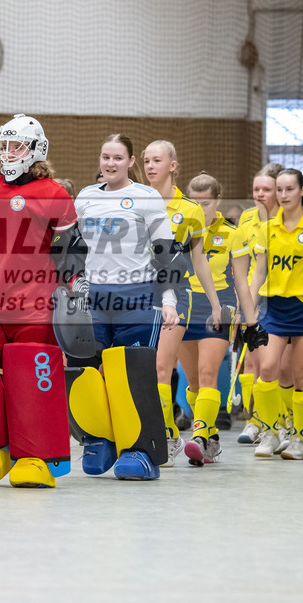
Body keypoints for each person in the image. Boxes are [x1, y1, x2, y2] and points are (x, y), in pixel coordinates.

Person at [0, 114, 80, 489]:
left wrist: (78, 287)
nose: (10, 153)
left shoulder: (55, 195)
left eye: (17, 146)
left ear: (36, 150)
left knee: (32, 379)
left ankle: (35, 457)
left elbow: (70, 253)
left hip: (36, 306)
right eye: (5, 146)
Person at [68, 134, 181, 481]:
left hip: (138, 297)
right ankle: (101, 438)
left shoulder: (147, 197)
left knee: (132, 377)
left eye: (118, 158)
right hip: (95, 299)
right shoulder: (85, 198)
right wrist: (74, 284)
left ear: (131, 161)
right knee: (90, 373)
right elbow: (73, 248)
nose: (110, 164)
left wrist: (169, 300)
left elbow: (166, 252)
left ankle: (139, 450)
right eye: (105, 157)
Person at [142, 140, 223, 465]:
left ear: (173, 165)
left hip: (178, 295)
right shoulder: (135, 202)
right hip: (139, 295)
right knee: (160, 370)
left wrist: (216, 304)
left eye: (157, 160)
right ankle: (177, 434)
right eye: (146, 160)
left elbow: (199, 260)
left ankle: (168, 436)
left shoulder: (190, 210)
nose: (150, 166)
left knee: (162, 366)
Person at [248, 169, 303, 460]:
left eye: (289, 189)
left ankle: (299, 438)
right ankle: (272, 432)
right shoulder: (267, 228)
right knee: (268, 370)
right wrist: (249, 311)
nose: (283, 195)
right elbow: (258, 272)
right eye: (279, 190)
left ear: (301, 192)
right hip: (273, 309)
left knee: (301, 376)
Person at [177, 173, 260, 466]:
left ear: (218, 200)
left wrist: (249, 321)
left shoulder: (233, 234)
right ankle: (211, 436)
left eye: (207, 202)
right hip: (183, 307)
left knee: (208, 373)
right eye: (195, 202)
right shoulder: (180, 229)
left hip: (218, 309)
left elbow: (242, 282)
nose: (201, 208)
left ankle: (198, 437)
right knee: (195, 383)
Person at [235, 162, 283, 445]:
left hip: (280, 298)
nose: (260, 194)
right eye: (256, 189)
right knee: (251, 364)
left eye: (267, 189)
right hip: (252, 296)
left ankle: (279, 420)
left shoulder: (286, 221)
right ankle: (254, 421)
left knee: (272, 367)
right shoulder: (246, 219)